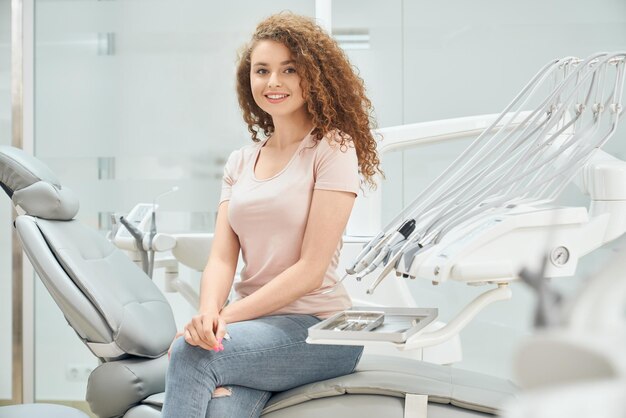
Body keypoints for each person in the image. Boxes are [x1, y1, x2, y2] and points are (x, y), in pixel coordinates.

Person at [162, 12, 381, 418]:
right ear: (249, 80)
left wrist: (221, 319)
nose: (273, 82)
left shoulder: (332, 148)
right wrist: (209, 312)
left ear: (313, 77)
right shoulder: (240, 161)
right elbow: (222, 258)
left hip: (318, 328)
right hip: (252, 327)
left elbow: (311, 270)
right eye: (262, 70)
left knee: (191, 353)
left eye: (289, 70)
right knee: (220, 411)